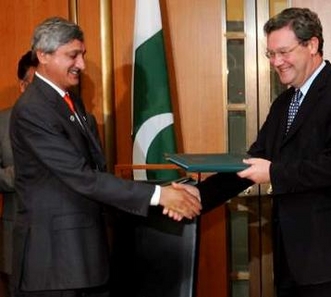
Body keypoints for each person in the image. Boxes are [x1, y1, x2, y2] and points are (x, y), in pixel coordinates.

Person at [174, 7, 331, 297]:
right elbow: (251, 163)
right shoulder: (284, 104)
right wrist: (199, 195)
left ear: (312, 45)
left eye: (283, 52)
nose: (276, 62)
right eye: (271, 54)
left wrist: (273, 172)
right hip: (291, 263)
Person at [9, 16, 201, 297]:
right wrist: (160, 196)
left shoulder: (70, 100)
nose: (82, 65)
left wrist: (161, 194)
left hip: (82, 258)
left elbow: (96, 170)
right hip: (55, 265)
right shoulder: (33, 109)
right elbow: (81, 177)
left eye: (83, 55)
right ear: (43, 55)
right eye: (72, 55)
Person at [0, 50, 38, 297]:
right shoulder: (2, 122)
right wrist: (23, 174)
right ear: (23, 85)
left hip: (65, 244)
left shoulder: (77, 119)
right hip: (16, 238)